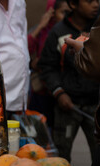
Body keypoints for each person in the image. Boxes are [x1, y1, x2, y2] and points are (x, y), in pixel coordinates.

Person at [38, 0, 99, 166]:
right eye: (89, 1)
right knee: (61, 160)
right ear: (73, 4)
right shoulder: (58, 32)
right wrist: (58, 92)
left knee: (98, 159)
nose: (95, 4)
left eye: (97, 0)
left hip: (94, 106)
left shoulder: (97, 31)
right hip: (67, 105)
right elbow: (47, 67)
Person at [65, 16, 100, 166]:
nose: (94, 4)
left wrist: (82, 52)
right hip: (70, 101)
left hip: (91, 101)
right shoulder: (59, 28)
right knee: (63, 149)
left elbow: (94, 64)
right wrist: (58, 91)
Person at [27, 0, 71, 130]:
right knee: (39, 130)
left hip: (62, 93)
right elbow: (25, 50)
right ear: (52, 13)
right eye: (64, 12)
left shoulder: (70, 33)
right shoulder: (42, 31)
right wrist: (41, 25)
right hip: (41, 91)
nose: (67, 17)